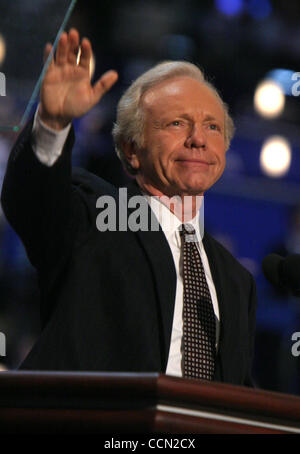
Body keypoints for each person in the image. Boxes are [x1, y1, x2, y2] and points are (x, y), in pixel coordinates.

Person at [1, 29, 257, 385]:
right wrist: (53, 124)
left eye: (212, 126)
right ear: (132, 149)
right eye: (177, 123)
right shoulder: (95, 219)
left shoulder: (236, 279)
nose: (198, 139)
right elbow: (34, 203)